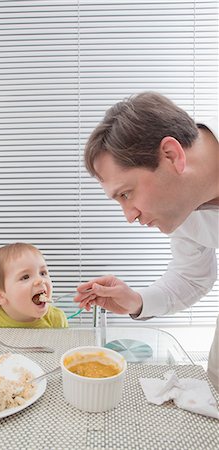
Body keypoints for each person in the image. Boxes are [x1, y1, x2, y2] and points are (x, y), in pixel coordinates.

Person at [74, 92, 219, 391]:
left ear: (171, 156)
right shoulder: (183, 205)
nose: (129, 216)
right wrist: (136, 302)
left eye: (126, 193)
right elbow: (190, 278)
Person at [0, 242, 68, 328]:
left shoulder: (57, 319)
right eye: (25, 277)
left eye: (43, 273)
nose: (40, 280)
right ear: (0, 296)